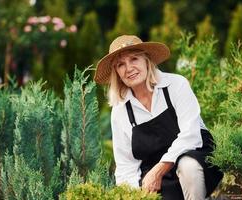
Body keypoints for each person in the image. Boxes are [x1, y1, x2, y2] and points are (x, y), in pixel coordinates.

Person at [94, 35, 223, 200]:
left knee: (187, 166)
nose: (129, 68)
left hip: (196, 158)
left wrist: (158, 170)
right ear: (117, 73)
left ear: (147, 60)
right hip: (159, 176)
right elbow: (126, 166)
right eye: (121, 64)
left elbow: (191, 135)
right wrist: (134, 196)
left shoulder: (176, 85)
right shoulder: (120, 111)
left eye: (134, 59)